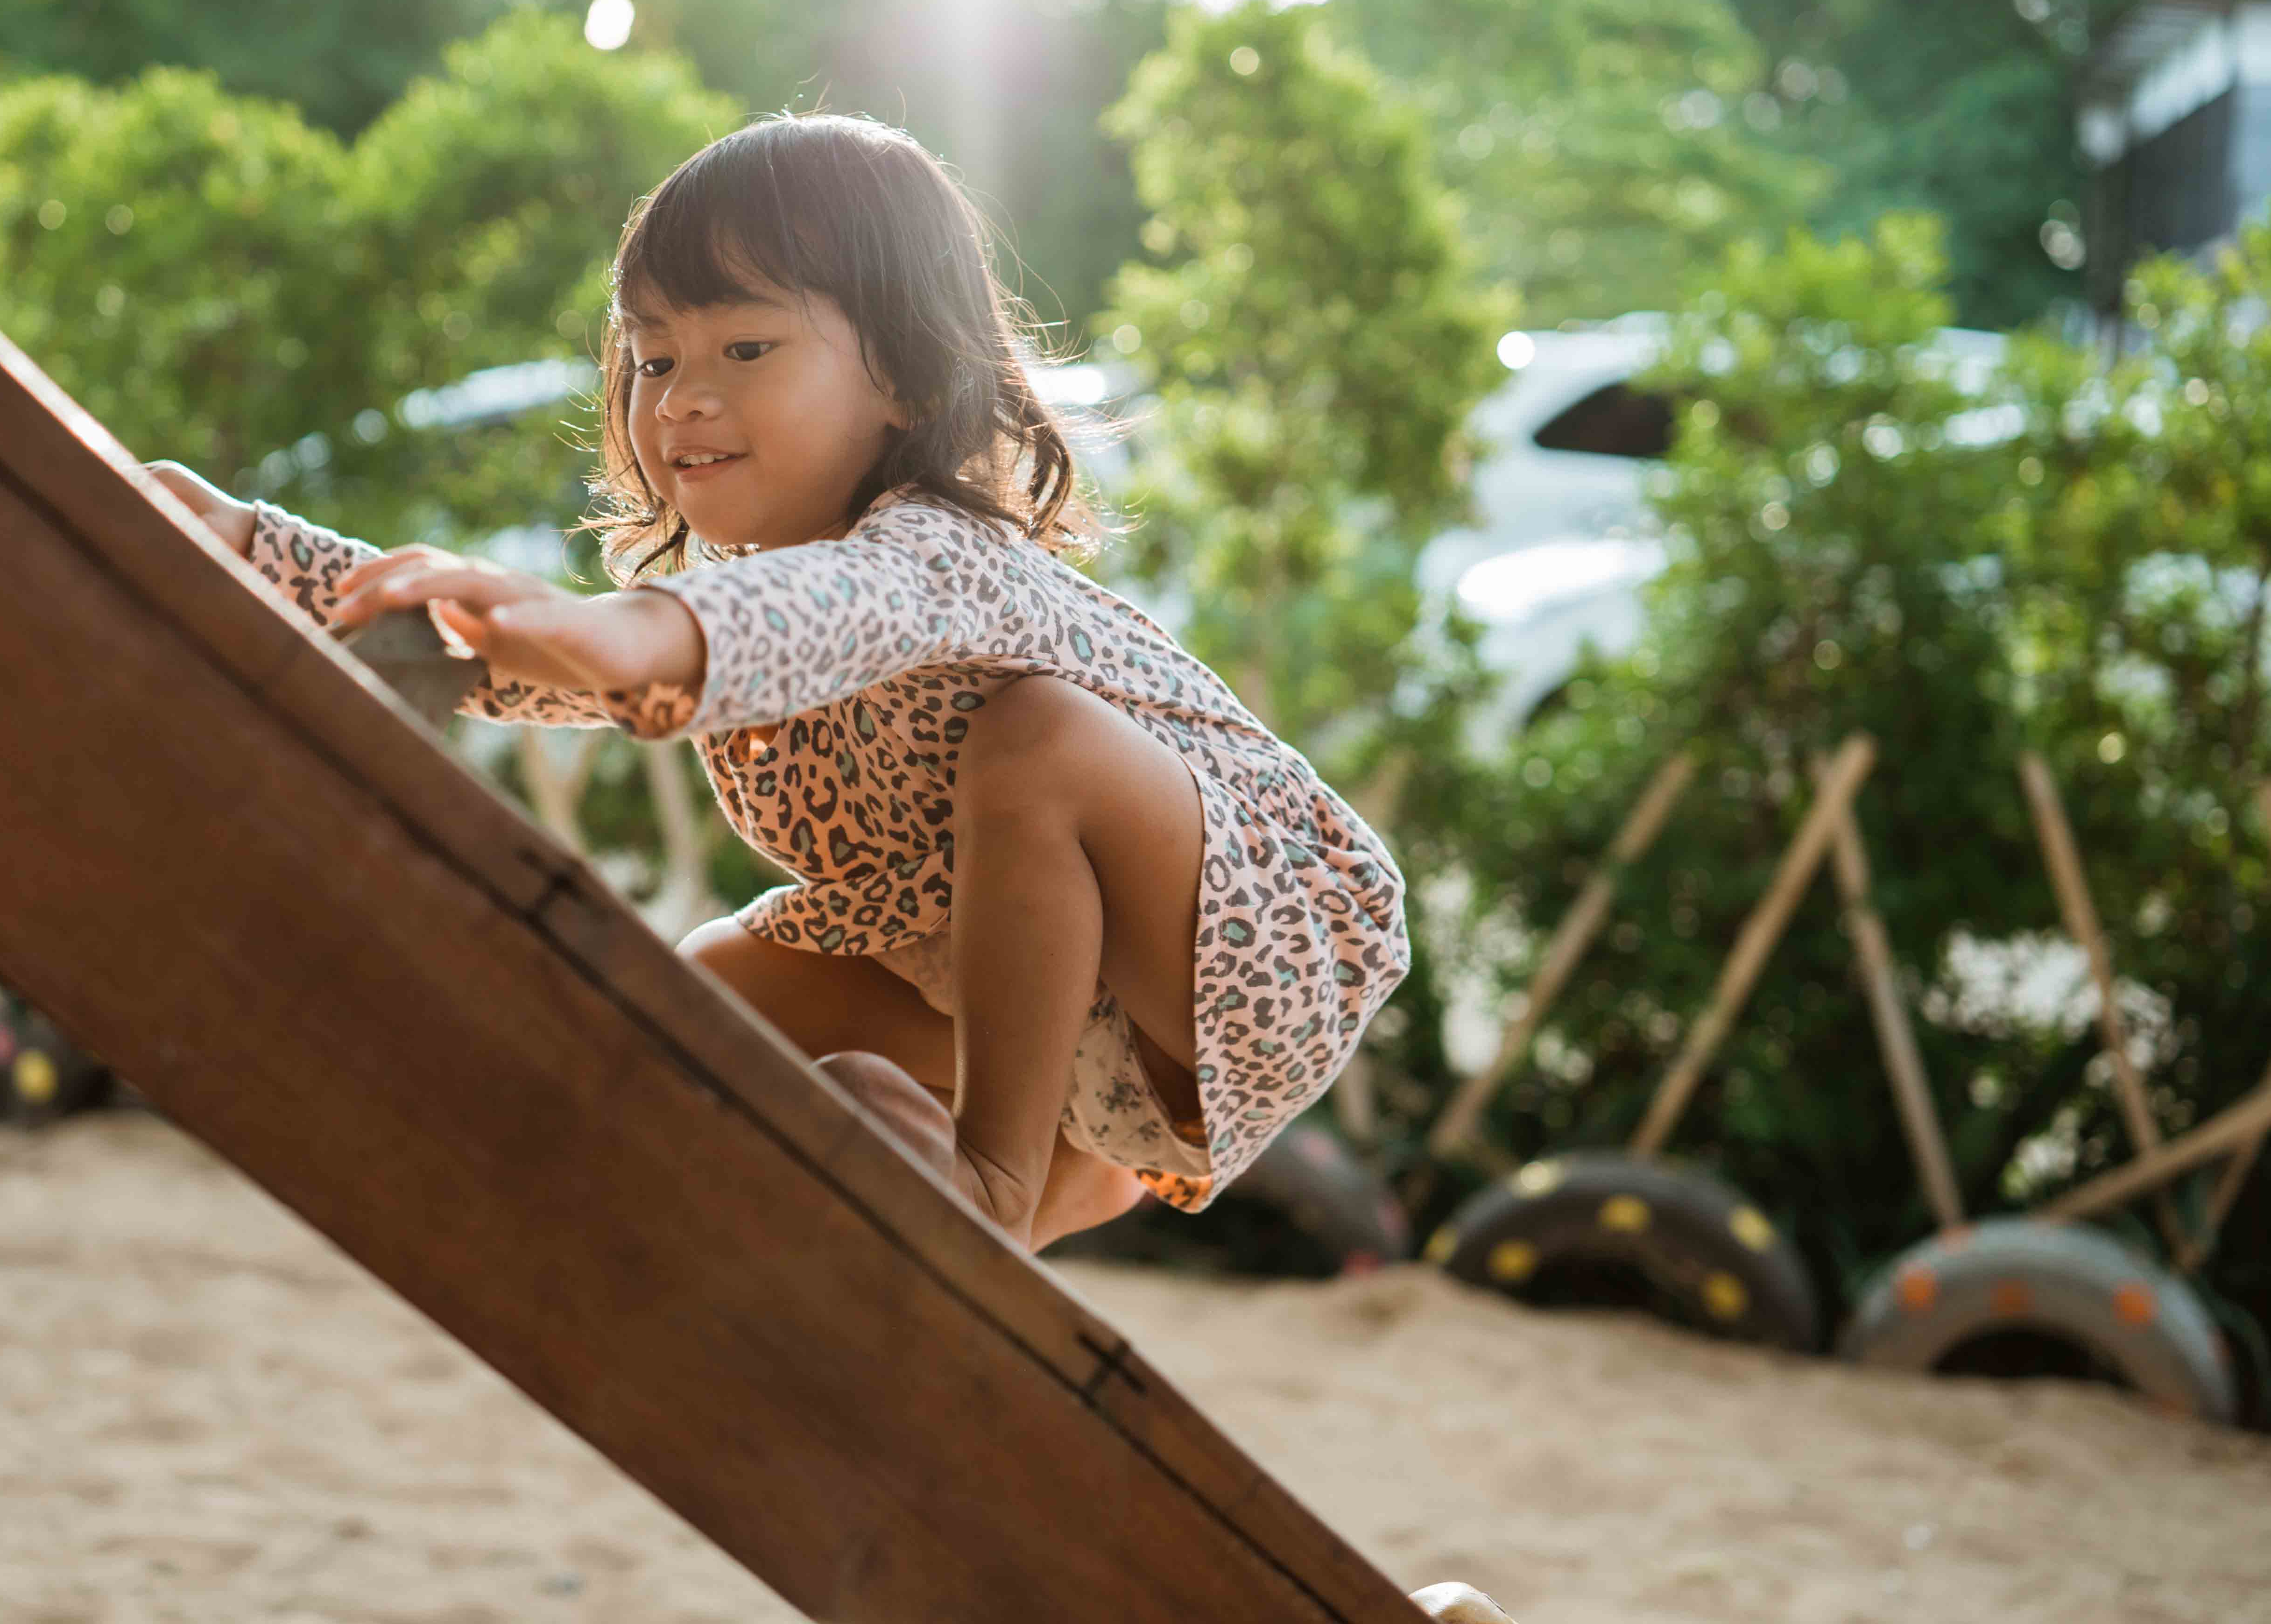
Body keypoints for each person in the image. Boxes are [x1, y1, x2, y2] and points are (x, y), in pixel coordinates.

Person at [150, 112, 1408, 1255]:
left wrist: (628, 634)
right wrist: (267, 557)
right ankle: (1042, 1179)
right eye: (651, 361)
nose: (683, 400)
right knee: (688, 1012)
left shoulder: (936, 553)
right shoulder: (741, 587)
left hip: (1254, 938)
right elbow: (524, 662)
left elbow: (799, 618)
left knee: (1041, 740)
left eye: (746, 347)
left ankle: (1000, 1183)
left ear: (906, 377)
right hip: (1026, 977)